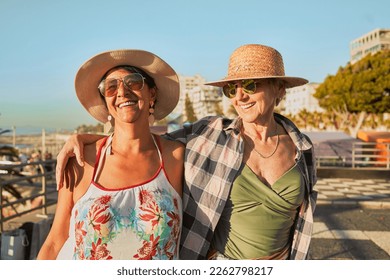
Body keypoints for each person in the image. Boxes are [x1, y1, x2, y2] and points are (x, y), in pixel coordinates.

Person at [55, 44, 317, 260]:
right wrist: (86, 139)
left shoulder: (302, 149)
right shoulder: (210, 135)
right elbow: (138, 140)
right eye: (231, 88)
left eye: (250, 85)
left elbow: (301, 223)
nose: (240, 96)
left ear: (279, 89)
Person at [37, 49, 184, 260]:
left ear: (152, 93)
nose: (122, 93)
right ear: (106, 102)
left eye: (133, 82)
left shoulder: (177, 157)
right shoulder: (80, 160)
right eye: (111, 87)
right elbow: (55, 241)